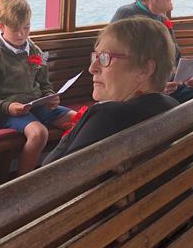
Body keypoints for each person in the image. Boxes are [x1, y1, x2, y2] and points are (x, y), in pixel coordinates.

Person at [44, 17, 178, 164]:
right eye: (96, 57)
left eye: (105, 57)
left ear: (144, 70)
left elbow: (55, 182)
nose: (92, 68)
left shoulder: (107, 118)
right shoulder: (173, 108)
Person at [0, 0, 76, 175]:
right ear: (1, 27)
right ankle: (22, 184)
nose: (22, 34)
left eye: (26, 27)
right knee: (39, 134)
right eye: (15, 29)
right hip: (5, 112)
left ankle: (66, 171)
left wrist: (51, 96)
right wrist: (8, 106)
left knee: (79, 120)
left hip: (36, 105)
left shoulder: (35, 50)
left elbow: (44, 82)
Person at [111, 0, 193, 104]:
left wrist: (190, 77)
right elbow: (117, 66)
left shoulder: (162, 18)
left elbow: (175, 58)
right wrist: (153, 88)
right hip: (141, 94)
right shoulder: (126, 16)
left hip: (172, 87)